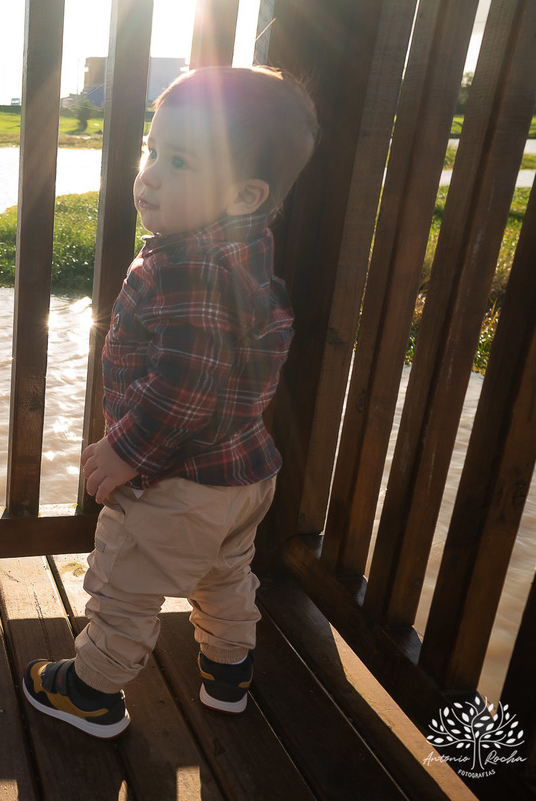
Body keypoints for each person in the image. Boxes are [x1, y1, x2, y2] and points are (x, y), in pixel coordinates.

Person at [22, 66, 318, 737]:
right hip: (245, 474)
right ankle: (228, 670)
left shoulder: (189, 267)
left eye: (179, 161)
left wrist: (124, 450)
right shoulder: (247, 252)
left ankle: (92, 690)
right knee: (224, 574)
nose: (149, 174)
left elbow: (188, 386)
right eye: (153, 151)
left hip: (179, 484)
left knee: (124, 579)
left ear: (245, 194)